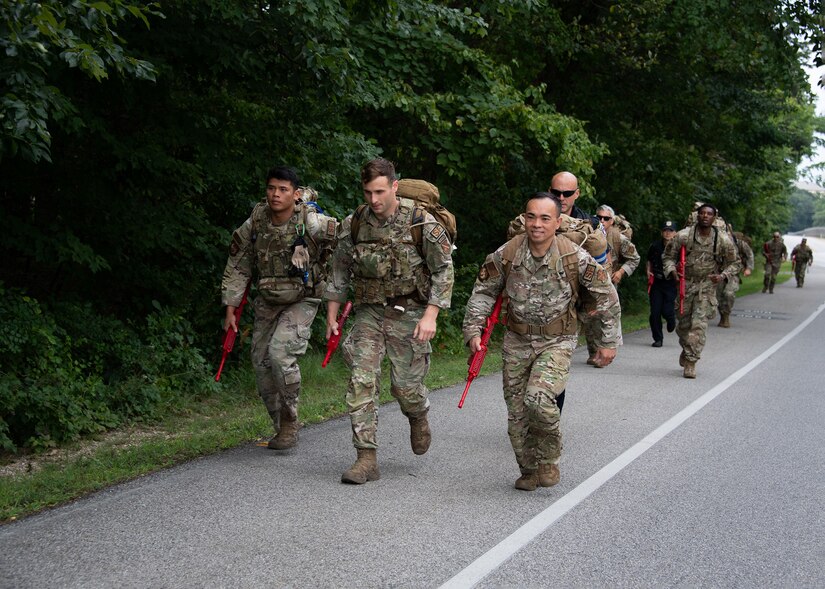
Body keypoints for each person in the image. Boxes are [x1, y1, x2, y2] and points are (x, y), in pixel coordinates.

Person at [462, 192, 621, 491]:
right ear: (524, 219)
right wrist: (473, 331)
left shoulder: (573, 255)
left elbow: (606, 296)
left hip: (558, 340)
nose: (537, 224)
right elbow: (484, 292)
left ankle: (549, 458)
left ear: (557, 222)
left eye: (545, 218)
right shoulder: (507, 252)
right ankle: (528, 469)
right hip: (517, 339)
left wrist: (608, 341)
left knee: (538, 397)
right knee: (517, 412)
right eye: (531, 217)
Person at [324, 158, 454, 485]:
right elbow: (338, 269)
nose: (374, 200)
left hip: (410, 311)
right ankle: (366, 458)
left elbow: (443, 271)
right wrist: (331, 313)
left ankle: (417, 413)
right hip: (369, 311)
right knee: (361, 379)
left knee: (406, 387)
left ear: (394, 186)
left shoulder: (420, 223)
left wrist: (431, 314)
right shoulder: (355, 223)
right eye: (368, 192)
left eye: (380, 191)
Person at [221, 166, 338, 450]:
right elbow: (239, 264)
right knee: (261, 364)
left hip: (303, 298)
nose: (276, 194)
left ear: (295, 194)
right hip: (268, 300)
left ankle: (290, 420)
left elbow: (344, 241)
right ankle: (280, 423)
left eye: (283, 189)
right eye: (272, 188)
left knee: (280, 355)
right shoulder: (257, 220)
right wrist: (230, 307)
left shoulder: (310, 222)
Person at [662, 203, 739, 379]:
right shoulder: (683, 236)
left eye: (709, 214)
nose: (705, 216)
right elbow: (667, 257)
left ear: (714, 218)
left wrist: (722, 275)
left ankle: (691, 361)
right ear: (697, 216)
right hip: (686, 285)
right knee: (683, 326)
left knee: (698, 326)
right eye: (702, 213)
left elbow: (735, 263)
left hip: (706, 287)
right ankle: (686, 347)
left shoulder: (722, 240)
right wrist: (672, 271)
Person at [581, 204, 639, 362]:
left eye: (606, 218)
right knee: (590, 318)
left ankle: (606, 348)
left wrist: (621, 272)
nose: (602, 221)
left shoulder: (618, 237)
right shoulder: (588, 233)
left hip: (608, 282)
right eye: (599, 217)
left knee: (606, 314)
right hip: (588, 281)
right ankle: (594, 353)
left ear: (612, 221)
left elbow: (634, 258)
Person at [646, 220, 678, 347]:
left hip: (671, 283)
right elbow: (649, 260)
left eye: (670, 231)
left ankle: (671, 321)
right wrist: (648, 271)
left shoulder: (679, 247)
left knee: (667, 310)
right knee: (655, 312)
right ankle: (658, 339)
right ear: (661, 232)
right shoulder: (655, 246)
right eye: (665, 230)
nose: (667, 233)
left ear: (675, 233)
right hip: (657, 282)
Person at [717, 225, 754, 327]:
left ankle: (726, 316)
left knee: (728, 294)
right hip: (718, 274)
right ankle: (722, 315)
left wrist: (748, 268)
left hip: (733, 274)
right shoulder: (715, 242)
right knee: (718, 297)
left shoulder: (739, 243)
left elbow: (749, 255)